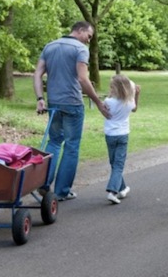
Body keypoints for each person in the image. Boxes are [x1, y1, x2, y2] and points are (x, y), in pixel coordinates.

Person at [34, 21, 110, 201]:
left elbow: (37, 74)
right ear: (80, 30)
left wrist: (40, 99)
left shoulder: (50, 46)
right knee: (71, 146)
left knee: (53, 143)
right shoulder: (80, 49)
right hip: (73, 104)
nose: (89, 41)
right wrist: (98, 102)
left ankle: (43, 184)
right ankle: (62, 191)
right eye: (89, 36)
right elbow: (83, 79)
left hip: (54, 103)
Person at [103, 74, 140, 204]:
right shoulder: (129, 103)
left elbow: (104, 107)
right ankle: (117, 190)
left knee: (115, 163)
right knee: (118, 164)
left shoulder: (108, 102)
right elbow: (135, 108)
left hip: (110, 135)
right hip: (123, 135)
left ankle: (118, 190)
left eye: (111, 87)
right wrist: (136, 93)